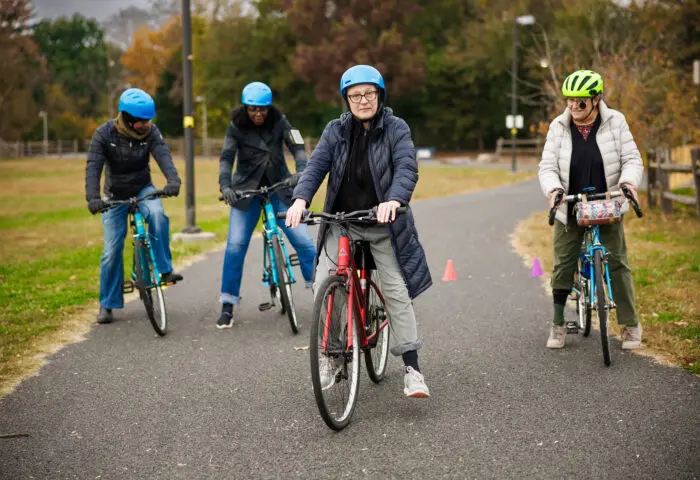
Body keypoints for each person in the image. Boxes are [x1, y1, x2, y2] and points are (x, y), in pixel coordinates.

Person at [285, 65, 432, 398]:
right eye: (355, 95)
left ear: (380, 96)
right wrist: (299, 200)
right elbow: (316, 166)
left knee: (395, 287)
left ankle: (412, 368)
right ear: (346, 100)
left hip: (383, 224)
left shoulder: (396, 128)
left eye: (369, 94)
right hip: (342, 222)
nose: (362, 100)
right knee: (325, 282)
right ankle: (333, 357)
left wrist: (394, 200)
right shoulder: (335, 131)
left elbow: (407, 167)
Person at [538, 69, 644, 350]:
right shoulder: (558, 126)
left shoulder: (615, 122)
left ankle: (630, 325)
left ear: (596, 100)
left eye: (581, 101)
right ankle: (558, 323)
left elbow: (632, 158)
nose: (574, 106)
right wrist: (554, 190)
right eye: (570, 100)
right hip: (570, 203)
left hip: (607, 201)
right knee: (563, 264)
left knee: (618, 261)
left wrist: (628, 183)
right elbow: (547, 166)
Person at [216, 81, 316, 328]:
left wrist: (301, 171)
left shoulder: (280, 121)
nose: (258, 114)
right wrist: (225, 186)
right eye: (253, 109)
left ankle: (322, 292)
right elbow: (227, 158)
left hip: (279, 188)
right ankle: (227, 305)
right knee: (235, 246)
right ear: (245, 108)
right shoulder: (235, 126)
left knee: (303, 240)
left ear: (269, 108)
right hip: (245, 192)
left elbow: (298, 146)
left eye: (263, 109)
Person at [85, 87, 183, 325]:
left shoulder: (151, 133)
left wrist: (173, 180)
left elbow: (164, 156)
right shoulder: (104, 134)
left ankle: (163, 269)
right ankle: (107, 304)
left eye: (149, 120)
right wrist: (93, 198)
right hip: (114, 194)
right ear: (128, 120)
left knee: (158, 215)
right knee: (111, 251)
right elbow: (93, 167)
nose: (147, 124)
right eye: (142, 121)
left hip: (143, 188)